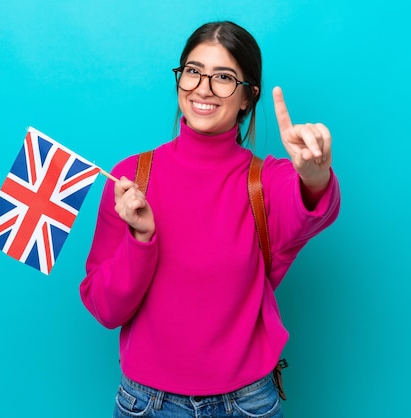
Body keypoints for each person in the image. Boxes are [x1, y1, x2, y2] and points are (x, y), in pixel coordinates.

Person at [80, 21, 340, 417]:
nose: (203, 88)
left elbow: (310, 208)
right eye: (193, 72)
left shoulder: (265, 182)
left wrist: (314, 174)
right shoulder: (131, 178)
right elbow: (105, 308)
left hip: (247, 403)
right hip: (147, 404)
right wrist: (141, 239)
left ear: (247, 98)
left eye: (223, 78)